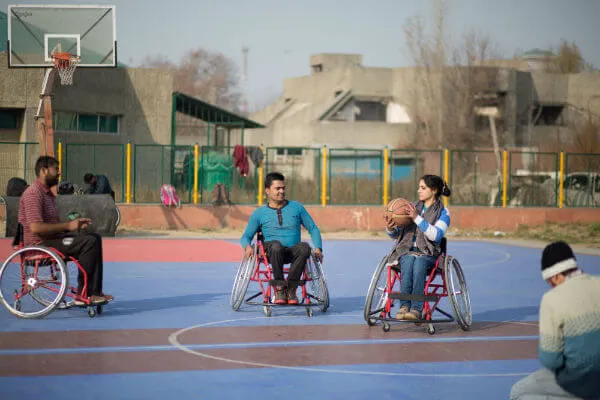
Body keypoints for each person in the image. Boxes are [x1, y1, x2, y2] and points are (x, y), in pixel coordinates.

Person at [510, 241, 600, 400]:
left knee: (518, 393)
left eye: (549, 282)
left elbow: (551, 360)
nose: (551, 286)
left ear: (556, 276)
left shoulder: (552, 300)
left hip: (582, 381)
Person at [19, 156, 112, 305]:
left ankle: (94, 291)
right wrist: (68, 226)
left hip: (51, 240)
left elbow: (50, 226)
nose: (59, 172)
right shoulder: (33, 194)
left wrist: (74, 226)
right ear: (43, 171)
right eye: (56, 169)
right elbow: (36, 227)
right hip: (40, 245)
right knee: (89, 242)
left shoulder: (47, 195)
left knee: (94, 237)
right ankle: (85, 294)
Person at [240, 172, 323, 305]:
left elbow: (313, 228)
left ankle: (291, 289)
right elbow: (246, 237)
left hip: (292, 252)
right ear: (267, 191)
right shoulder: (259, 214)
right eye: (277, 188)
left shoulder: (297, 208)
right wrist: (248, 246)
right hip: (271, 252)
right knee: (276, 246)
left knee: (305, 247)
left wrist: (318, 248)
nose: (281, 191)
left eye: (283, 188)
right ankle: (279, 288)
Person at [385, 174, 451, 321]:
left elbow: (436, 235)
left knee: (419, 262)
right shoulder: (411, 207)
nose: (418, 190)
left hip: (429, 253)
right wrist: (390, 228)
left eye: (423, 188)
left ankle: (416, 309)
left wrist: (416, 218)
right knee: (408, 260)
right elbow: (398, 235)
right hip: (407, 250)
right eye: (418, 187)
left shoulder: (443, 212)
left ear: (433, 191)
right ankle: (404, 306)